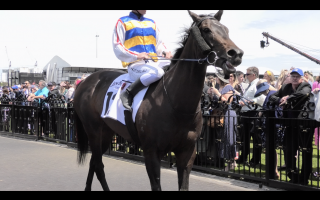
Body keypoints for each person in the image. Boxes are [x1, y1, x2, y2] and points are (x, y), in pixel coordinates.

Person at [113, 10, 172, 112]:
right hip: (135, 65)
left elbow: (159, 44)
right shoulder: (122, 22)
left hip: (154, 62)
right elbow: (117, 46)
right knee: (158, 73)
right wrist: (136, 56)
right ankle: (128, 93)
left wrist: (165, 51)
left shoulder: (152, 23)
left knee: (175, 65)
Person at [269, 68, 312, 185]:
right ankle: (292, 175)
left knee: (305, 151)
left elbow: (303, 93)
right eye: (293, 75)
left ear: (302, 77)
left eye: (297, 76)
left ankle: (304, 178)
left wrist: (288, 98)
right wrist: (279, 99)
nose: (294, 78)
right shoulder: (286, 87)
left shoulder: (305, 85)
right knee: (289, 150)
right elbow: (272, 96)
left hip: (304, 124)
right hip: (289, 123)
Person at [208, 69, 237, 171]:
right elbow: (216, 102)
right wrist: (211, 95)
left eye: (217, 77)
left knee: (229, 138)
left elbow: (227, 102)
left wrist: (217, 93)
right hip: (220, 115)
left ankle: (231, 163)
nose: (215, 78)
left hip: (228, 114)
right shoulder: (219, 87)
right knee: (222, 138)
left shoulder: (228, 87)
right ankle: (228, 161)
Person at [237, 67, 266, 167]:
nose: (246, 76)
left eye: (247, 74)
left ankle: (255, 160)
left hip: (253, 113)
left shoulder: (257, 84)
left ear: (254, 75)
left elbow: (262, 97)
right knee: (245, 137)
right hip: (246, 113)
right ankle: (243, 157)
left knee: (256, 138)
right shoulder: (251, 84)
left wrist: (249, 101)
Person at [312, 75, 320, 149]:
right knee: (317, 128)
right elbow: (312, 94)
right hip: (317, 108)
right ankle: (318, 144)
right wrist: (314, 91)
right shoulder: (315, 83)